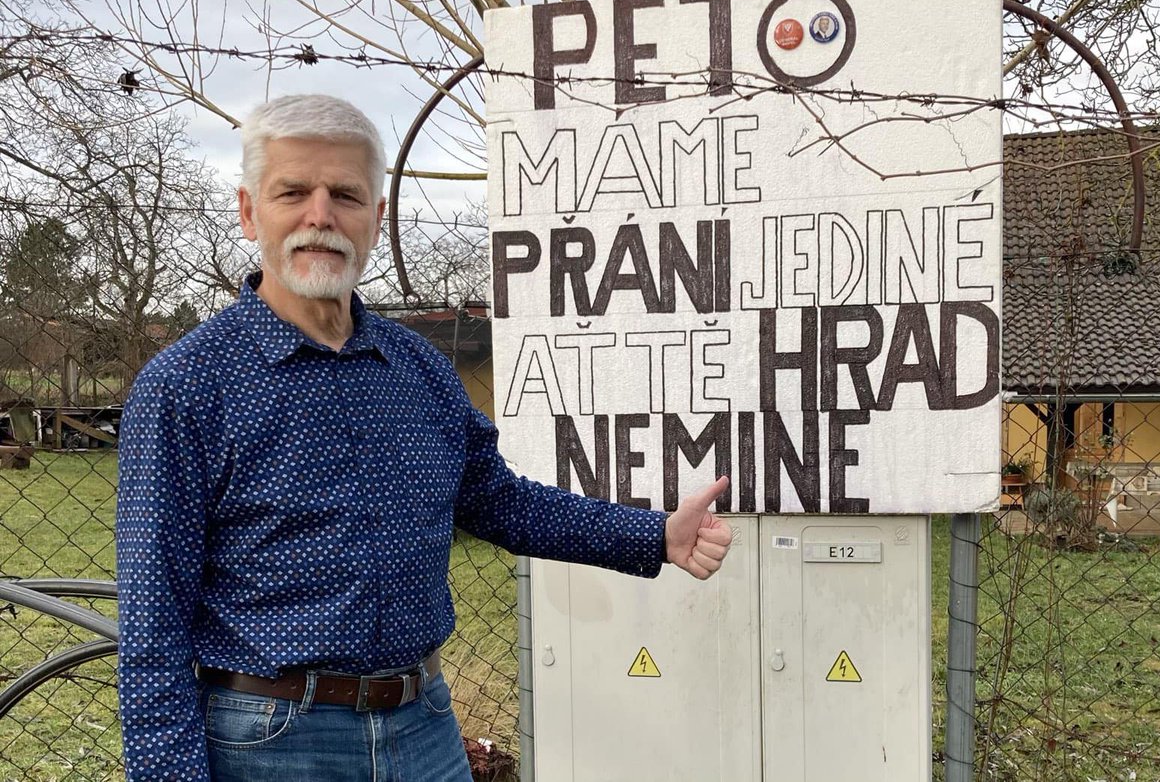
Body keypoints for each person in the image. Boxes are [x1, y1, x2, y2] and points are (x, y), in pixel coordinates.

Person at [116, 94, 733, 782]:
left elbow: (499, 502)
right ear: (249, 211)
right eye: (293, 191)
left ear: (376, 219)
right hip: (273, 743)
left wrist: (654, 537)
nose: (320, 215)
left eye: (345, 195)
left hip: (424, 731)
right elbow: (152, 625)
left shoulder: (420, 372)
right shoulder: (187, 386)